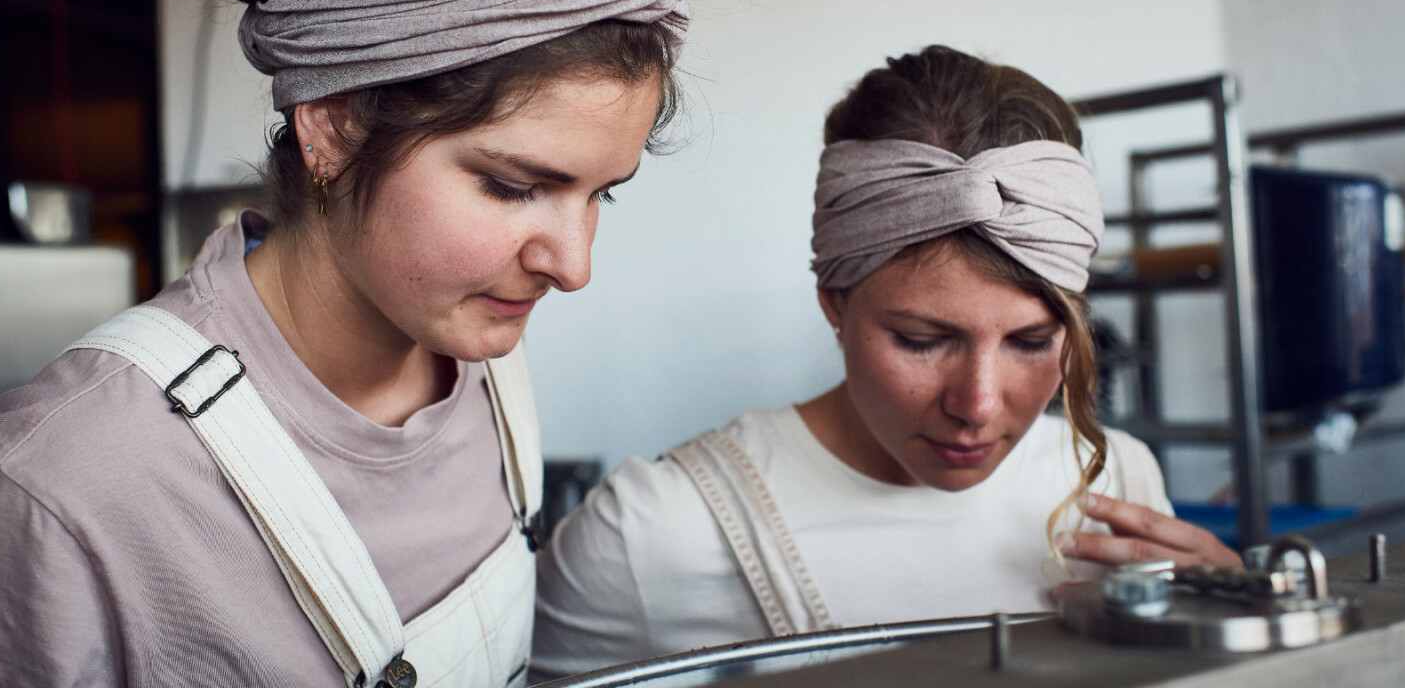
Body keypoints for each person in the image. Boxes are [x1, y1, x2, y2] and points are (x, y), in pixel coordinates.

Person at [0, 0, 690, 685]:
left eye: (603, 193)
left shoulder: (485, 360)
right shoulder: (46, 506)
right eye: (510, 186)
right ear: (331, 124)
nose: (574, 269)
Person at [531, 45, 1240, 679]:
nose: (979, 404)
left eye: (1030, 341)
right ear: (835, 301)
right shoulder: (652, 537)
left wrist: (1243, 632)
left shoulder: (1118, 482)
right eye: (922, 340)